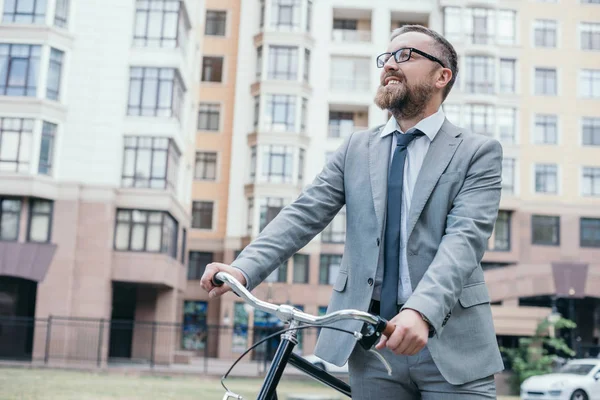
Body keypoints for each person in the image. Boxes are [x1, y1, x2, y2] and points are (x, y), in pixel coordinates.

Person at [201, 24, 504, 399]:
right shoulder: (356, 149)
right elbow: (304, 213)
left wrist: (421, 312)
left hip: (452, 343)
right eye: (387, 56)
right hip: (371, 347)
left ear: (443, 76)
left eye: (406, 55)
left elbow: (465, 239)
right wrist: (243, 268)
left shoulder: (477, 152)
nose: (390, 64)